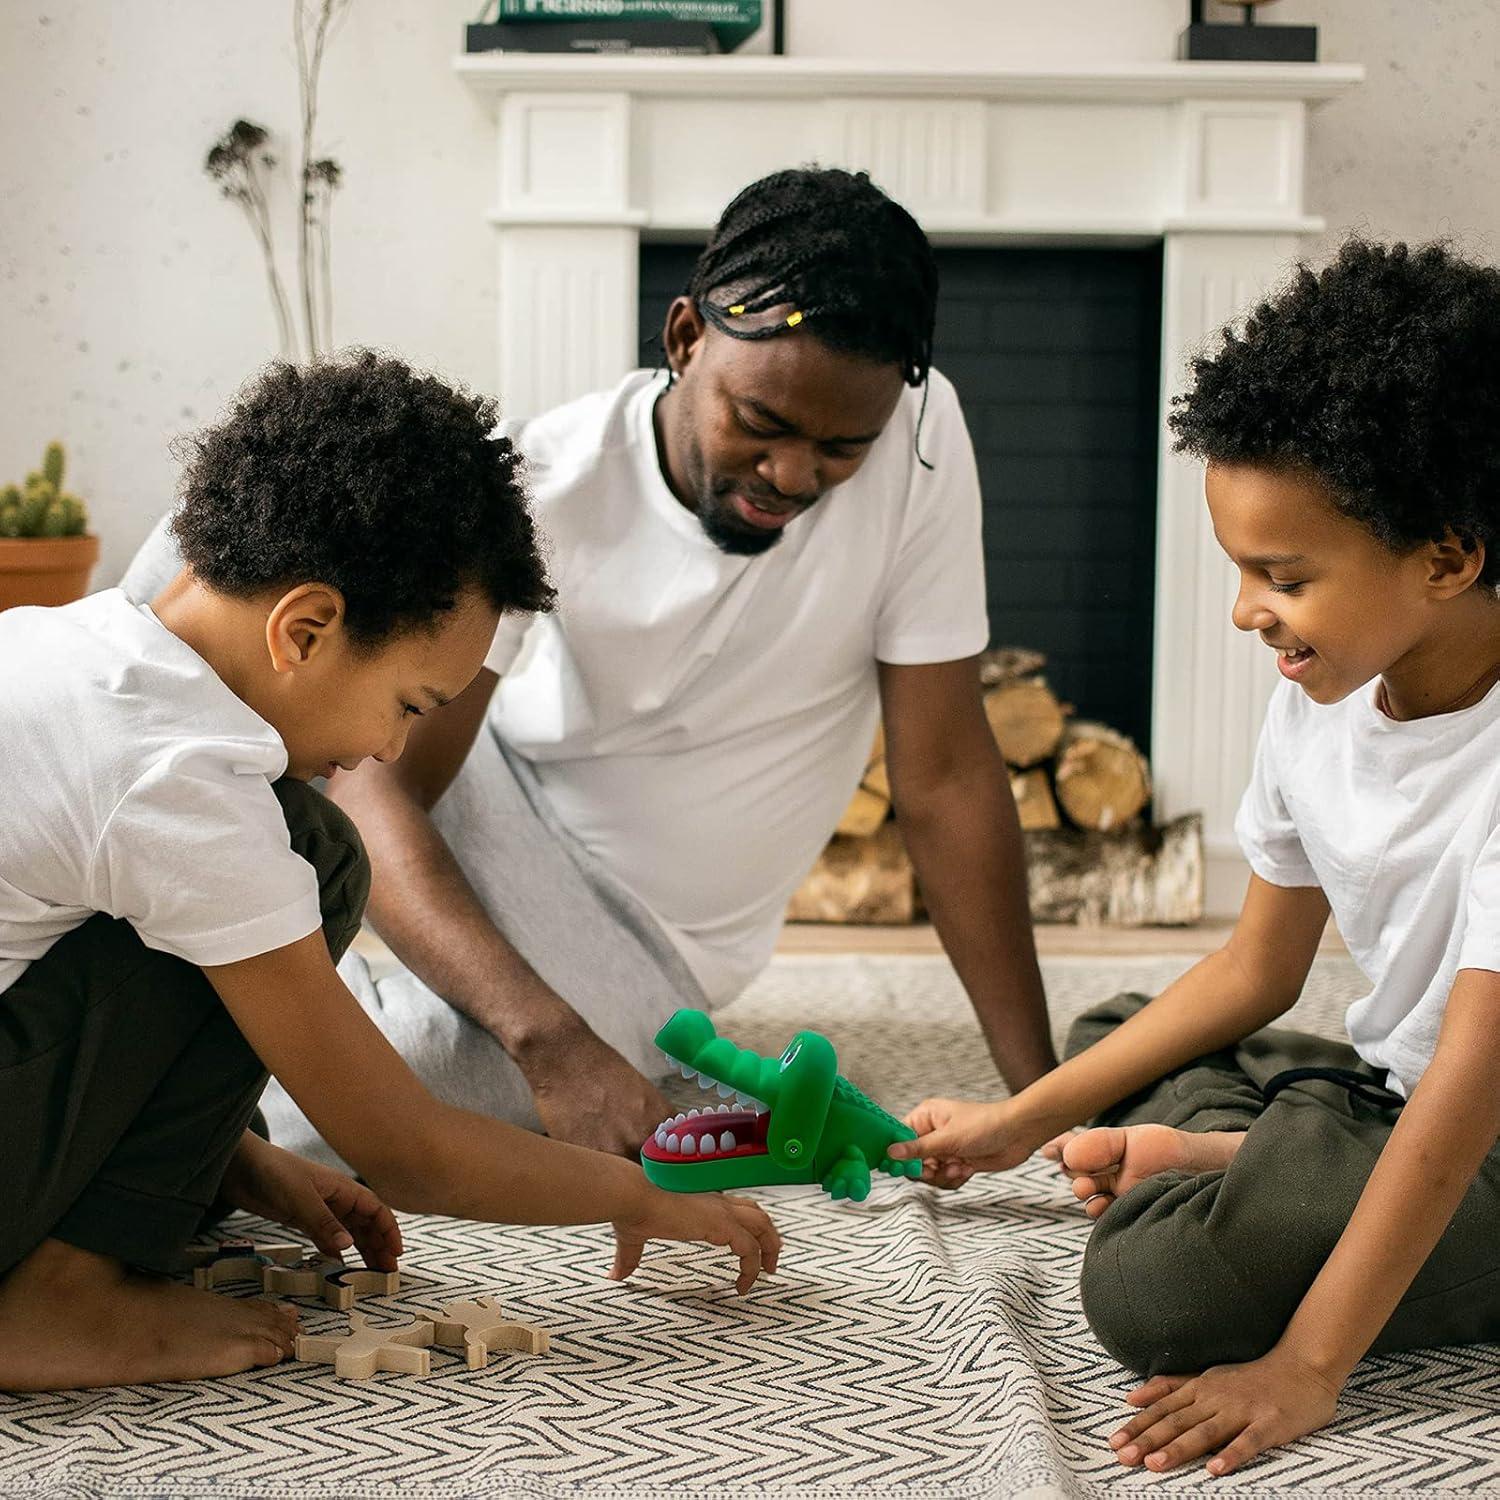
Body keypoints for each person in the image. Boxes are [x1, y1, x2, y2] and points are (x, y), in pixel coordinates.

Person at [123, 167, 1056, 1169]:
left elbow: (948, 778)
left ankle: (189, 1031)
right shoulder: (548, 483)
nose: (795, 475)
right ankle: (101, 919)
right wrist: (544, 1033)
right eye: (762, 424)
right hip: (488, 783)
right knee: (207, 545)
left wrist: (1045, 1096)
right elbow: (382, 781)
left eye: (840, 448)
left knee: (354, 1111)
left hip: (644, 936)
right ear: (686, 336)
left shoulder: (920, 437)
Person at [0, 352, 779, 1394]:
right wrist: (634, 1197)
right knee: (309, 859)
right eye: (411, 704)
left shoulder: (76, 647)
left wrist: (238, 1155)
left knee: (288, 860)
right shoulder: (176, 782)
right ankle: (57, 1297)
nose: (394, 752)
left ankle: (105, 1234)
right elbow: (406, 1149)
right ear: (307, 629)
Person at [889, 238, 1500, 1476]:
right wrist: (1019, 1121)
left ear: (1446, 557)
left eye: (1282, 577)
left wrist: (1305, 1368)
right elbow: (1254, 970)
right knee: (1114, 1022)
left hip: (1476, 1123)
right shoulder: (1325, 694)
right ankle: (1257, 1148)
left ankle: (1243, 1154)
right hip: (1397, 1089)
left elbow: (1468, 1086)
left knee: (1159, 1294)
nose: (1244, 613)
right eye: (1238, 571)